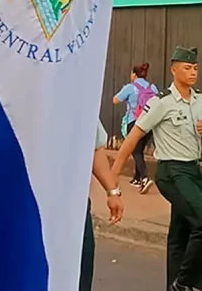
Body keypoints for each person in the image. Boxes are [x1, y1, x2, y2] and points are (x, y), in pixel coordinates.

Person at [112, 46, 202, 291]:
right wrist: (111, 181)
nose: (193, 72)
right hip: (172, 172)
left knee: (181, 234)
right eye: (187, 68)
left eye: (195, 68)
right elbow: (133, 138)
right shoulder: (161, 102)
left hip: (194, 173)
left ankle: (174, 286)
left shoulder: (200, 99)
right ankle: (186, 283)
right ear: (174, 70)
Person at [78, 121, 124, 291]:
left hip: (75, 208)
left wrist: (112, 192)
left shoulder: (80, 103)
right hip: (28, 205)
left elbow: (95, 148)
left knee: (81, 268)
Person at [113, 63, 158, 192]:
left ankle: (144, 178)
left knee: (136, 151)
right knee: (140, 149)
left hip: (135, 122)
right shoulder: (152, 87)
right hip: (149, 123)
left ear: (134, 74)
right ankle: (137, 178)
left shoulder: (130, 87)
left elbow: (115, 100)